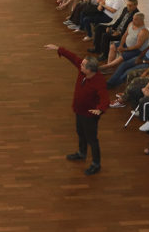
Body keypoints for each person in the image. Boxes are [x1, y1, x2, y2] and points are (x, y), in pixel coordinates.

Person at [45, 44, 108, 175]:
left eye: (83, 65)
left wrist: (100, 109)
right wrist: (58, 49)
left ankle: (96, 164)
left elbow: (105, 99)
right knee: (80, 132)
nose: (80, 65)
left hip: (90, 115)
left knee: (92, 139)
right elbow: (73, 58)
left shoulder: (99, 81)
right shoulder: (83, 71)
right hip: (79, 111)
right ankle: (81, 153)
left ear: (90, 70)